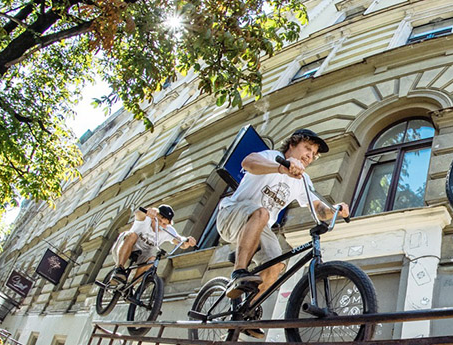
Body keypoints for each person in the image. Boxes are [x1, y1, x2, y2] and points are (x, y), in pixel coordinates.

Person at [216, 128, 349, 302]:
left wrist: (335, 209)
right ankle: (238, 273)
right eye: (307, 148)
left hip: (259, 227)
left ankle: (247, 312)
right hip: (231, 215)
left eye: (314, 154)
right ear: (293, 143)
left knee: (276, 265)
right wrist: (280, 168)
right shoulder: (272, 157)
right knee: (262, 212)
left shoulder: (303, 180)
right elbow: (248, 162)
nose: (310, 156)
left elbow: (320, 210)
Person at [111, 204, 195, 283]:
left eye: (164, 224)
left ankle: (131, 286)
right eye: (159, 221)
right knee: (132, 235)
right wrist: (148, 211)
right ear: (153, 217)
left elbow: (179, 241)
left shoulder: (168, 230)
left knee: (152, 260)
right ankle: (119, 269)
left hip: (140, 258)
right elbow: (138, 213)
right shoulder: (145, 220)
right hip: (123, 249)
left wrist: (187, 241)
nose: (160, 225)